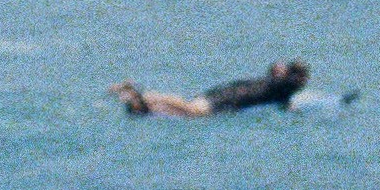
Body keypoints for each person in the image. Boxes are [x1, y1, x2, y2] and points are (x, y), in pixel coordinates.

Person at [111, 61, 313, 118]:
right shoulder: (287, 85)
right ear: (299, 78)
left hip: (228, 92)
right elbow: (284, 96)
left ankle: (146, 104)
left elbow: (275, 68)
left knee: (190, 111)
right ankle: (141, 95)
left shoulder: (277, 82)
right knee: (192, 110)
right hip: (230, 98)